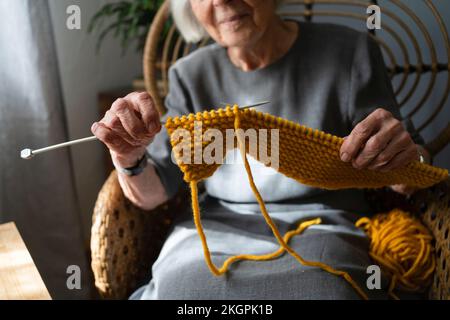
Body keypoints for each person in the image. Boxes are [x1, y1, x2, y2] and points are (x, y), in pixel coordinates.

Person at [91, 0, 429, 299]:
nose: (221, 1)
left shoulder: (349, 52)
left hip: (324, 224)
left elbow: (407, 172)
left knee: (328, 290)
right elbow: (155, 190)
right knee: (180, 289)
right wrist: (127, 155)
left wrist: (405, 159)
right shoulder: (190, 75)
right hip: (212, 232)